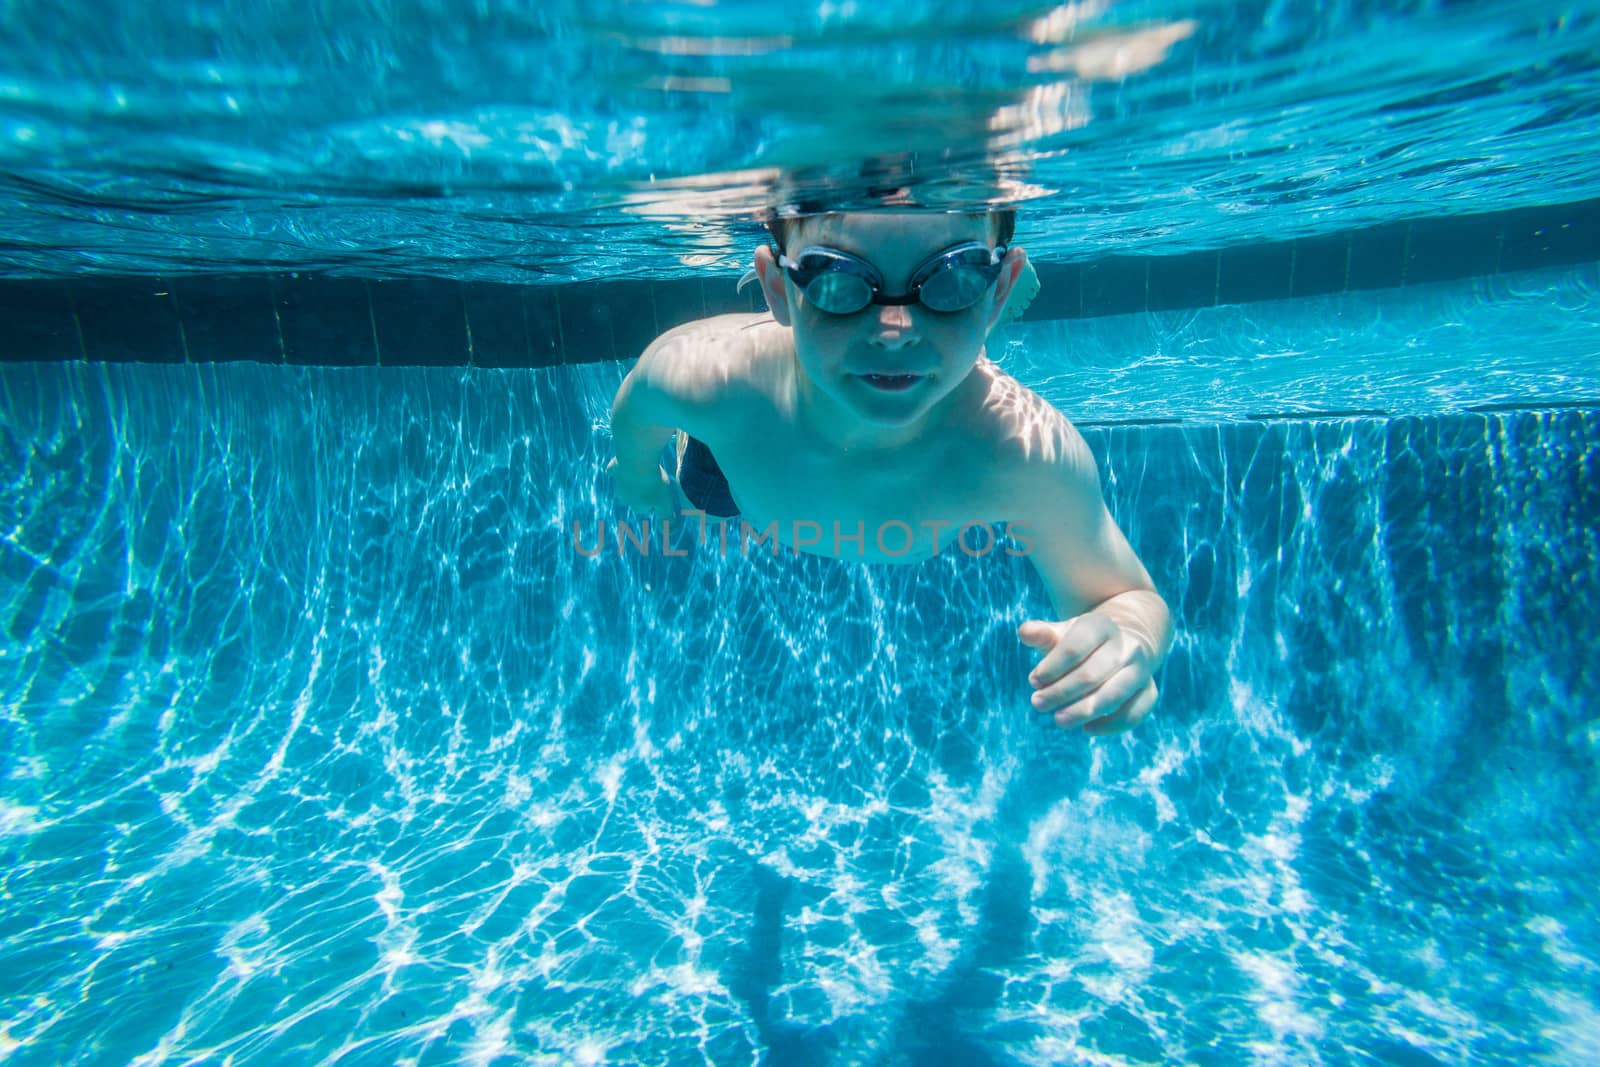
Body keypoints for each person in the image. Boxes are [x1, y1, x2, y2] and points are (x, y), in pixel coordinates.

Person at [606, 208, 1172, 736]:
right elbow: (634, 412)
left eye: (953, 281)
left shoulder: (1020, 449)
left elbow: (1126, 596)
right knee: (703, 496)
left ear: (999, 292)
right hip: (740, 457)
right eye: (834, 278)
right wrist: (639, 479)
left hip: (768, 454)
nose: (895, 329)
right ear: (777, 289)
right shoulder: (706, 382)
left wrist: (1130, 637)